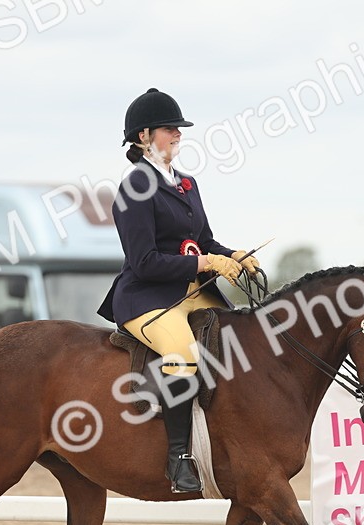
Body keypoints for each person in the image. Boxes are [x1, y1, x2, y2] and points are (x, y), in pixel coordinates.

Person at [97, 88, 260, 493]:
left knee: (244, 334)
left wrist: (235, 255)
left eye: (178, 129)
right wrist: (206, 263)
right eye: (170, 129)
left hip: (191, 293)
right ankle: (178, 458)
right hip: (146, 298)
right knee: (185, 357)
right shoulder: (134, 187)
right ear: (143, 137)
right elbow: (145, 262)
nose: (178, 135)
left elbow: (203, 240)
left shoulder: (186, 184)